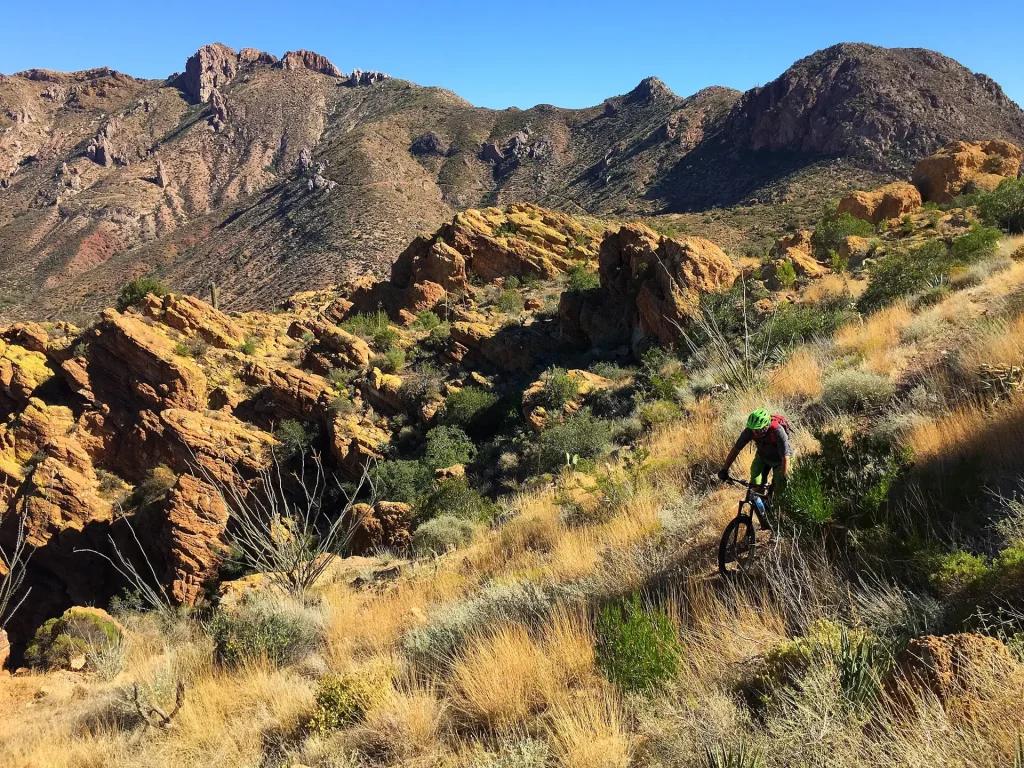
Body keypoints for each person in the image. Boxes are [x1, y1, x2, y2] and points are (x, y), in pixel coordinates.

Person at [717, 408, 792, 491]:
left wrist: (783, 477)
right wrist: (724, 469)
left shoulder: (778, 431)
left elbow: (786, 457)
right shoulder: (749, 430)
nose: (755, 432)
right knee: (755, 486)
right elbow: (735, 450)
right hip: (762, 457)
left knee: (780, 488)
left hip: (780, 460)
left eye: (758, 429)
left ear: (767, 425)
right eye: (753, 429)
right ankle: (757, 501)